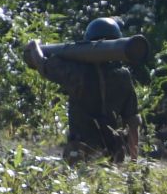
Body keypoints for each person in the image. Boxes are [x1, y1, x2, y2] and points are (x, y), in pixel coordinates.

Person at [23, 18, 141, 162]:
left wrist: (34, 46)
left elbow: (43, 65)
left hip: (81, 153)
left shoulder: (76, 71)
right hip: (113, 154)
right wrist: (135, 162)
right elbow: (132, 121)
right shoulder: (123, 76)